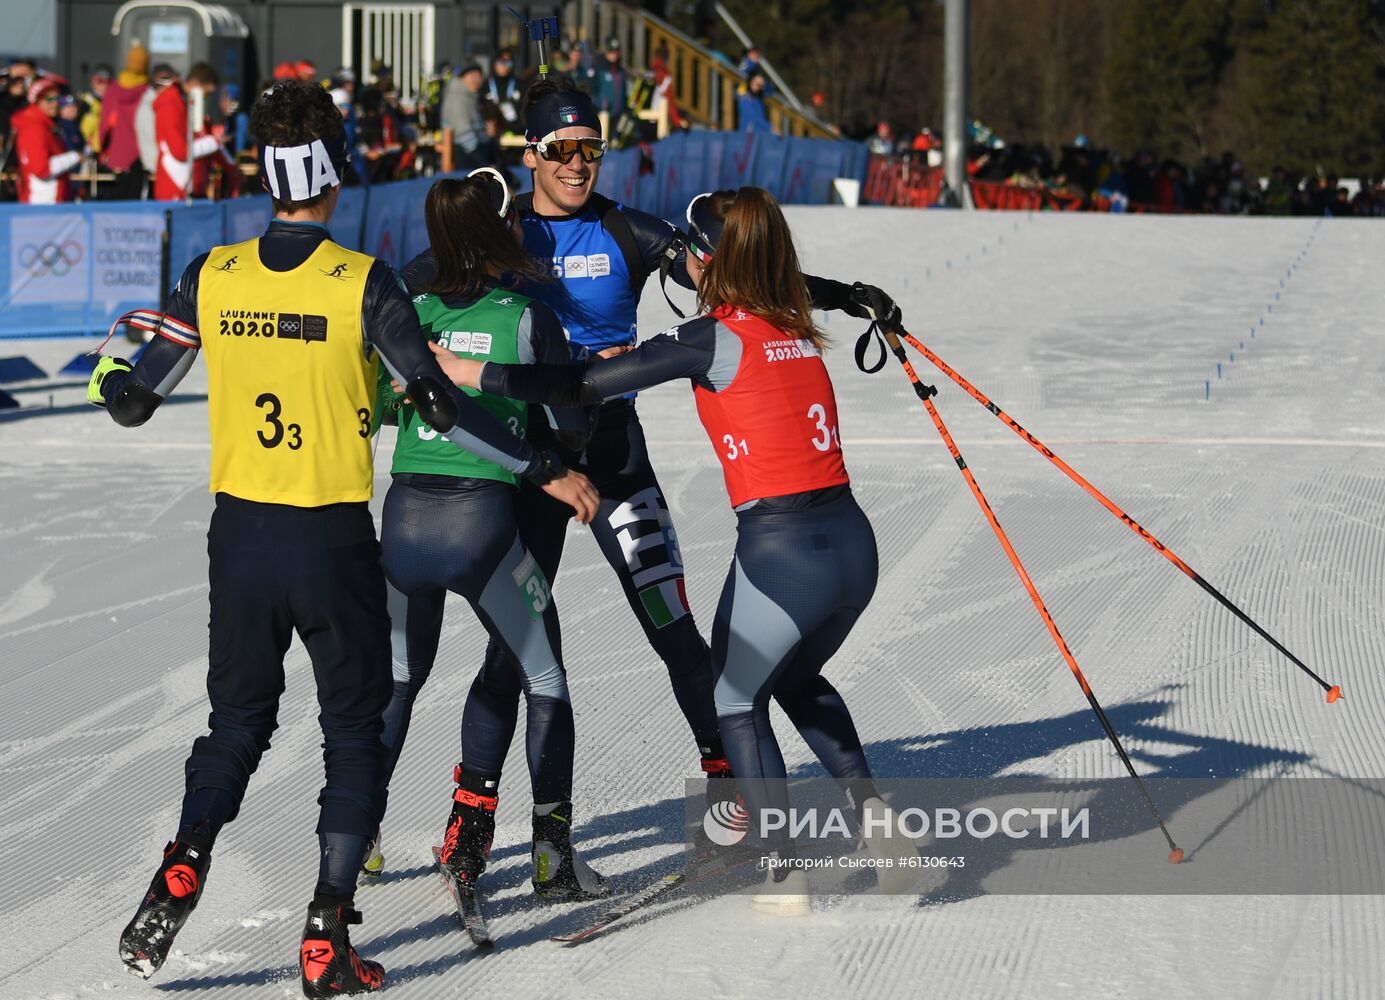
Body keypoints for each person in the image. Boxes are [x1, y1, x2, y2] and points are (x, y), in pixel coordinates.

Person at [87, 80, 597, 996]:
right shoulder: (365, 283)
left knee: (236, 724)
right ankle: (325, 935)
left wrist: (105, 375)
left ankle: (185, 858)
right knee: (352, 733)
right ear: (333, 175)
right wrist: (541, 469)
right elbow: (442, 407)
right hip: (330, 538)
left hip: (239, 536)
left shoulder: (211, 272)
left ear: (267, 172)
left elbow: (133, 401)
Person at [401, 78, 899, 821]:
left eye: (590, 150)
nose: (578, 165)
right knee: (512, 651)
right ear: (531, 155)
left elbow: (736, 276)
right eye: (562, 150)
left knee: (673, 628)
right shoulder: (501, 235)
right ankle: (472, 819)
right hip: (533, 468)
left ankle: (732, 785)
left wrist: (842, 294)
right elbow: (393, 297)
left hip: (613, 457)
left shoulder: (628, 229)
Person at [432, 187, 918, 915]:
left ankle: (780, 872)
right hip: (851, 543)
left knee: (733, 695)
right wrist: (850, 298)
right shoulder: (788, 315)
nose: (681, 261)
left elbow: (584, 384)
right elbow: (770, 281)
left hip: (784, 551)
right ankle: (881, 830)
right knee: (791, 678)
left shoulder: (708, 338)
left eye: (691, 251)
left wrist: (472, 374)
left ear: (708, 260)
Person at [367, 167, 607, 899]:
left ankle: (363, 836)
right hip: (483, 524)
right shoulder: (525, 315)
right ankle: (551, 857)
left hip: (404, 521)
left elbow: (381, 409)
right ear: (496, 232)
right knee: (542, 676)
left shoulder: (404, 316)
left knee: (398, 683)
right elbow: (571, 421)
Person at [153, 61, 223, 200]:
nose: (205, 99)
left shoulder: (187, 104)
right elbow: (180, 151)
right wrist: (213, 142)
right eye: (206, 94)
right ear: (197, 86)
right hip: (176, 188)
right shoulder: (171, 104)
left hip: (191, 185)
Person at [13, 78, 81, 203]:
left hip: (51, 203)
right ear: (37, 101)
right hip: (42, 206)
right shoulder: (34, 127)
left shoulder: (48, 125)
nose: (55, 103)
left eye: (57, 99)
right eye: (49, 99)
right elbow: (42, 169)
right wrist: (75, 157)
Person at [99, 45, 149, 198]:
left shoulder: (113, 90)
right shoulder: (147, 91)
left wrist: (100, 148)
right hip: (141, 157)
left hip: (117, 156)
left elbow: (105, 126)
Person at [441, 62, 490, 170]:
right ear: (462, 78)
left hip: (476, 149)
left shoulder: (473, 97)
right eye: (472, 76)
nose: (477, 80)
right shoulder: (457, 98)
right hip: (465, 153)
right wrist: (484, 163)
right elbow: (463, 134)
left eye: (479, 76)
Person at [485, 48, 521, 135]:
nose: (505, 66)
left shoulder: (520, 84)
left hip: (516, 134)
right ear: (494, 64)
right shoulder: (485, 85)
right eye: (501, 62)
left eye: (508, 63)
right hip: (491, 135)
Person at [592, 37, 628, 116]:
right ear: (606, 52)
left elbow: (624, 94)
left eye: (616, 51)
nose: (614, 54)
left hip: (618, 116)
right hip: (602, 114)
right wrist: (601, 105)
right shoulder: (598, 69)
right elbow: (592, 92)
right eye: (611, 51)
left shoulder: (621, 72)